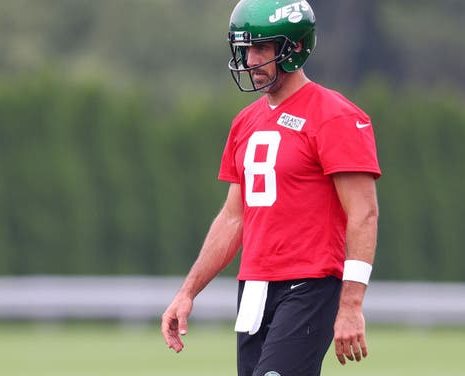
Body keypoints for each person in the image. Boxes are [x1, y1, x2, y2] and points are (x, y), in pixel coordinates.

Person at [161, 0, 381, 375]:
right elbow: (234, 218)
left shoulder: (336, 116)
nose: (250, 60)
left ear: (294, 48)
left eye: (261, 47)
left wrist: (351, 303)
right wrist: (187, 292)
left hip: (309, 285)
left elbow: (364, 212)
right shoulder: (245, 123)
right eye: (245, 48)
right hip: (254, 288)